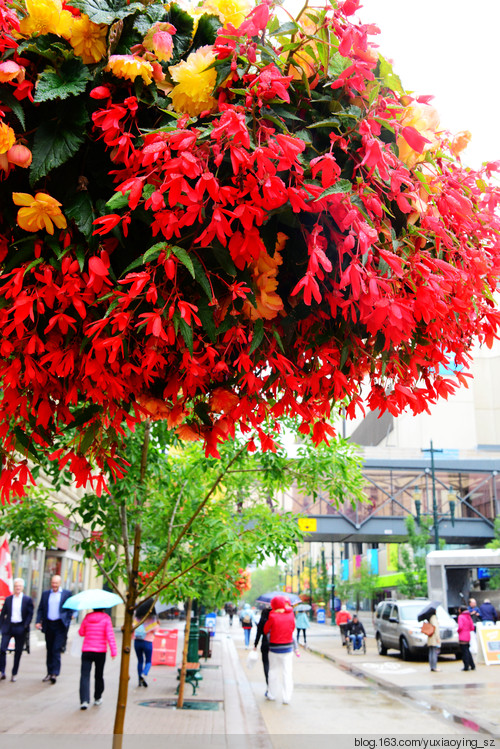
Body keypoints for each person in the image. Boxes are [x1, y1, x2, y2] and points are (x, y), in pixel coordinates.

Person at [35, 574, 72, 684]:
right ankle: (49, 672)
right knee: (49, 649)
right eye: (52, 583)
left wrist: (68, 618)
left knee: (56, 649)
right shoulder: (46, 594)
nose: (54, 585)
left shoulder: (66, 594)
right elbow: (41, 609)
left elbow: (70, 608)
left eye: (56, 583)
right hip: (49, 625)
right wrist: (38, 621)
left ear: (60, 583)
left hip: (60, 625)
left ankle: (55, 673)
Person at [78, 607, 117, 709]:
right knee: (99, 675)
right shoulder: (106, 618)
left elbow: (81, 632)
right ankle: (97, 697)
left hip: (87, 650)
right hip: (100, 652)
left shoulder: (87, 617)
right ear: (103, 608)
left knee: (85, 675)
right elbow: (110, 635)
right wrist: (113, 651)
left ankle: (84, 700)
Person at [263, 595, 299, 705]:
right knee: (287, 673)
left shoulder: (272, 616)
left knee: (273, 671)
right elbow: (292, 628)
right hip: (287, 648)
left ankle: (272, 694)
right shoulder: (291, 615)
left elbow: (265, 630)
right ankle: (286, 697)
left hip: (274, 648)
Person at [0, 578, 33, 682]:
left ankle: (14, 673)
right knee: (2, 649)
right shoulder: (9, 599)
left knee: (18, 651)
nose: (17, 588)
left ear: (22, 587)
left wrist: (25, 625)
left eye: (19, 586)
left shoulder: (27, 600)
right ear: (13, 587)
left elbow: (30, 613)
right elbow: (3, 613)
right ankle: (2, 671)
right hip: (8, 627)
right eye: (16, 586)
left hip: (20, 627)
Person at [133, 599, 160, 687]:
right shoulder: (152, 619)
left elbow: (133, 627)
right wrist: (158, 623)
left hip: (137, 641)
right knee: (148, 661)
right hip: (147, 642)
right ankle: (144, 674)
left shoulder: (137, 618)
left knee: (140, 661)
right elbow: (156, 630)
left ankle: (139, 679)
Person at [253, 606, 270, 693]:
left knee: (266, 664)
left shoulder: (263, 620)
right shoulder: (274, 618)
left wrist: (255, 645)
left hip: (265, 643)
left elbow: (258, 633)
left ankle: (268, 685)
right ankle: (272, 685)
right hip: (274, 644)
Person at [457, 605, 476, 671]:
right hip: (468, 635)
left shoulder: (460, 617)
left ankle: (466, 666)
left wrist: (458, 631)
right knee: (467, 650)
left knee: (464, 651)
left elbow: (460, 626)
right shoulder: (469, 616)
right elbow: (472, 627)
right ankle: (472, 665)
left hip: (462, 635)